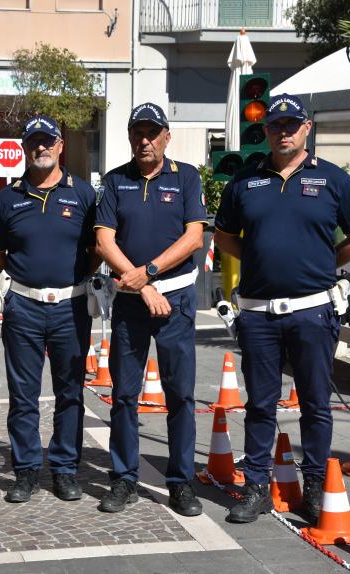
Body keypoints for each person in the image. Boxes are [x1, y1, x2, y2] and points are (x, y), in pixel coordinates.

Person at [214, 94, 350, 524]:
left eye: (291, 124)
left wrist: (324, 263)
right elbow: (224, 237)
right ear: (265, 131)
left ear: (307, 129)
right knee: (260, 404)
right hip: (259, 312)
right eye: (275, 125)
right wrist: (260, 258)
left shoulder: (333, 180)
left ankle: (316, 485)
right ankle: (257, 486)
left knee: (316, 403)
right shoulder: (245, 181)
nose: (283, 131)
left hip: (313, 311)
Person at [95, 103, 207, 517]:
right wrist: (141, 286)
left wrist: (151, 273)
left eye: (152, 132)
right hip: (130, 300)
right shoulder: (114, 181)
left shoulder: (187, 177)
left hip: (175, 298)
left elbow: (194, 237)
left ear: (166, 137)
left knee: (180, 395)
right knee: (124, 395)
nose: (145, 140)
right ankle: (123, 478)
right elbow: (105, 242)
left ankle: (180, 483)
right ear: (129, 138)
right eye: (137, 133)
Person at [0, 115, 99, 503]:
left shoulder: (84, 194)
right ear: (24, 148)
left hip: (71, 307)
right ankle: (25, 472)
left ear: (60, 146)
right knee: (23, 396)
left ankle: (66, 469)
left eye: (48, 141)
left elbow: (95, 252)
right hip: (24, 308)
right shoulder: (6, 199)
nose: (41, 148)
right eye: (34, 142)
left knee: (70, 393)